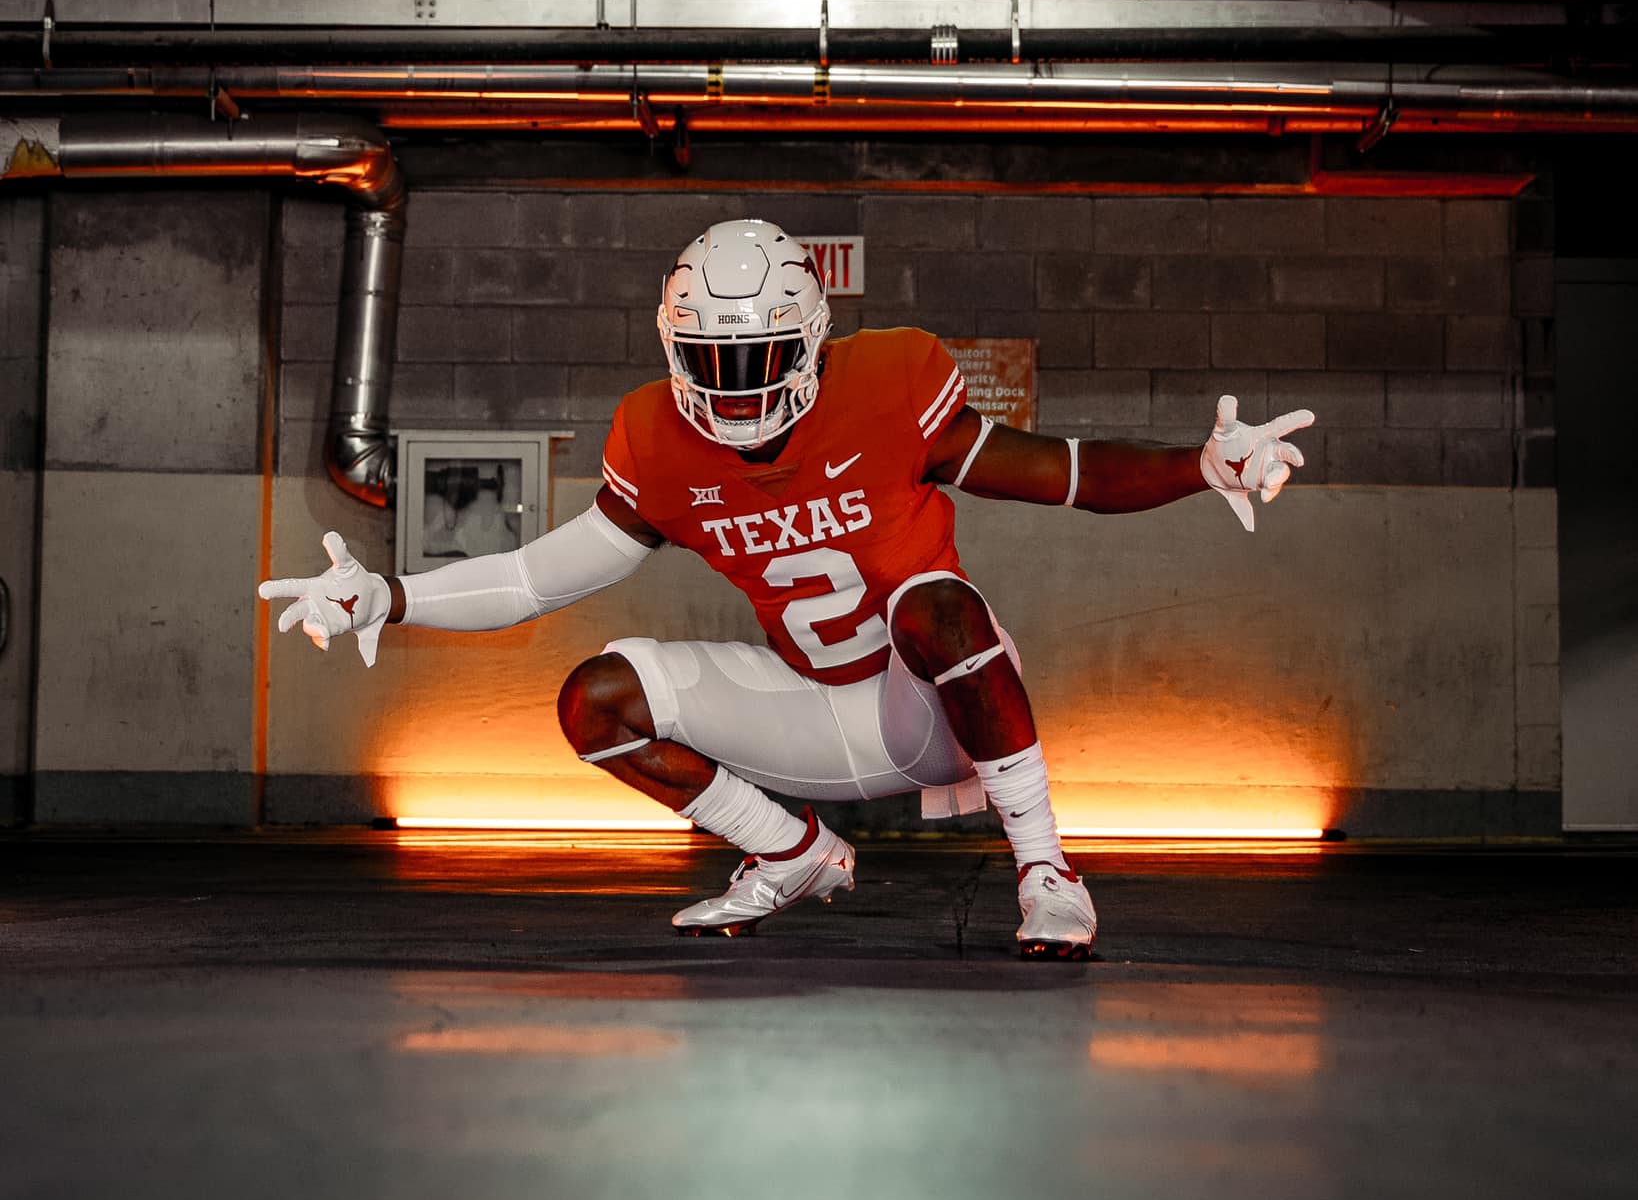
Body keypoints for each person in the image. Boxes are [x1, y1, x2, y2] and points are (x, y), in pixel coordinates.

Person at [260, 218, 1313, 959]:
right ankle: (793, 849)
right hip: (807, 707)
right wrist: (390, 597)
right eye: (712, 360)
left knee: (929, 601)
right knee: (596, 699)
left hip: (929, 702)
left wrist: (1195, 464)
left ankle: (1045, 867)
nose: (735, 387)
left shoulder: (890, 382)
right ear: (676, 350)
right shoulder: (657, 439)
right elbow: (545, 572)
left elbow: (1064, 472)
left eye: (758, 355)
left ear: (810, 342)